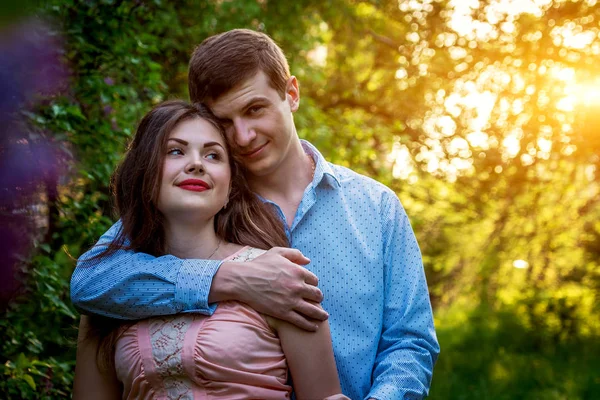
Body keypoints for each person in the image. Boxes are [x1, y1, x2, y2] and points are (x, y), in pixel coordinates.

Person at [72, 29, 440, 399]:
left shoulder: (375, 207)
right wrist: (229, 279)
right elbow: (92, 281)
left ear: (291, 94)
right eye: (225, 122)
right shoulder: (199, 205)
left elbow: (409, 343)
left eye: (254, 110)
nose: (244, 136)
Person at [72, 100, 346, 399]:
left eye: (213, 155)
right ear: (144, 174)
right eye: (175, 151)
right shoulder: (109, 293)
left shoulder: (279, 278)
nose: (196, 164)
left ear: (230, 189)